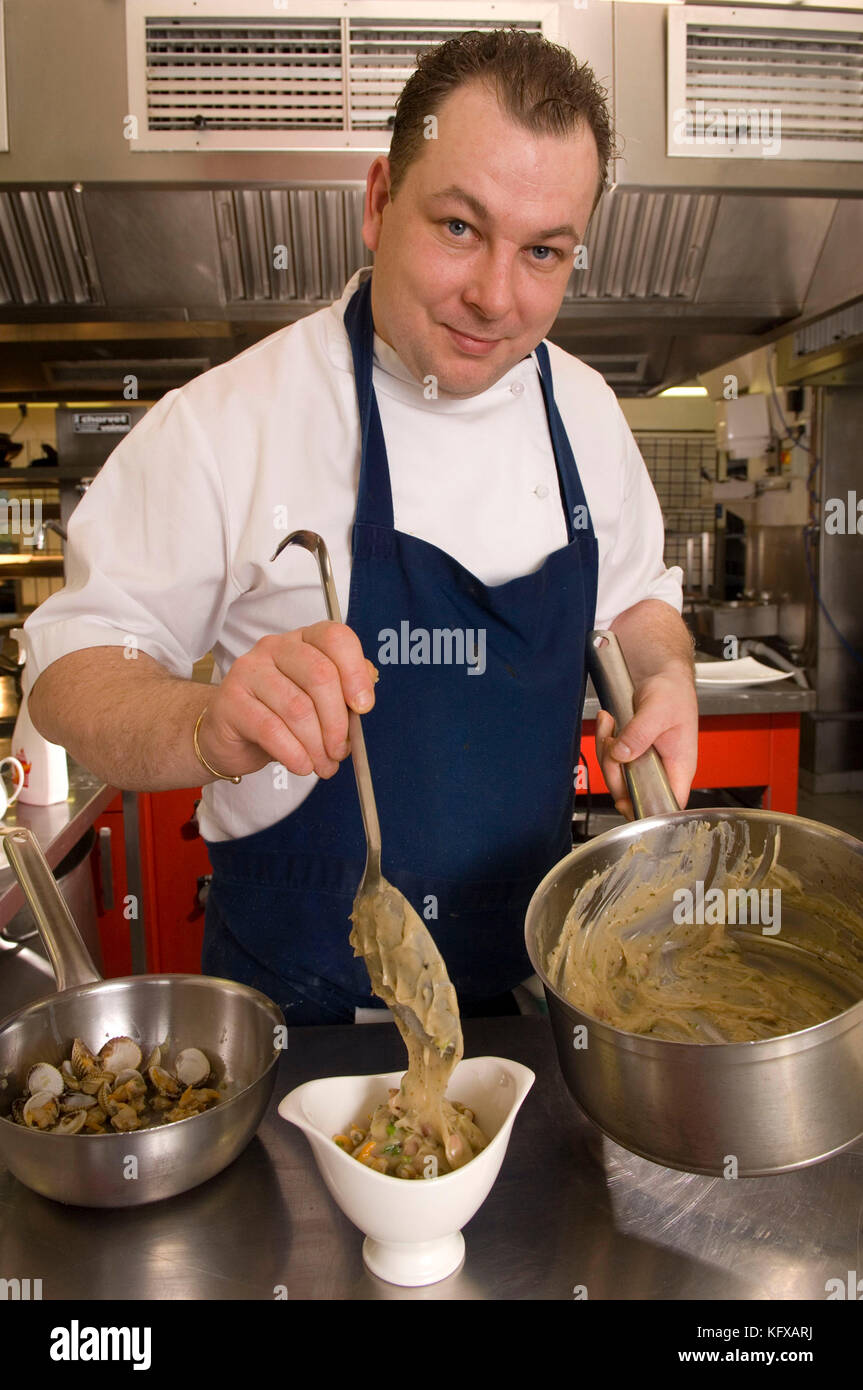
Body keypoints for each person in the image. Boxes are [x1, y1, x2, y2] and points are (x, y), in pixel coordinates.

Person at [25, 29, 698, 1024]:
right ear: (379, 202)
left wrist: (664, 674)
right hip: (302, 1015)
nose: (494, 297)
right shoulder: (230, 421)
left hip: (536, 999)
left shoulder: (585, 413)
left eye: (543, 252)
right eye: (460, 228)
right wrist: (205, 727)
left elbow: (635, 600)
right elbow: (71, 673)